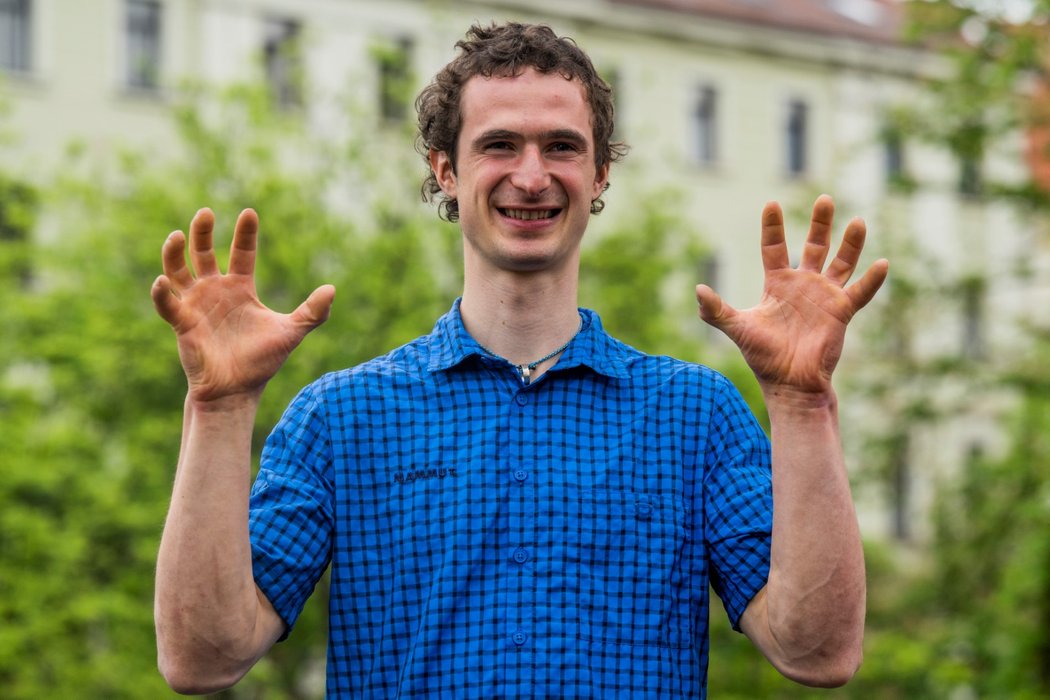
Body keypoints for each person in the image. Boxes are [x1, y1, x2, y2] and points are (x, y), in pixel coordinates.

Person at [151, 21, 889, 698]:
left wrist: (803, 404)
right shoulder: (341, 418)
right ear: (446, 170)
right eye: (499, 144)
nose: (532, 176)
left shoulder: (696, 416)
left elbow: (817, 653)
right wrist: (218, 409)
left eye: (562, 147)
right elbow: (204, 658)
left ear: (600, 175)